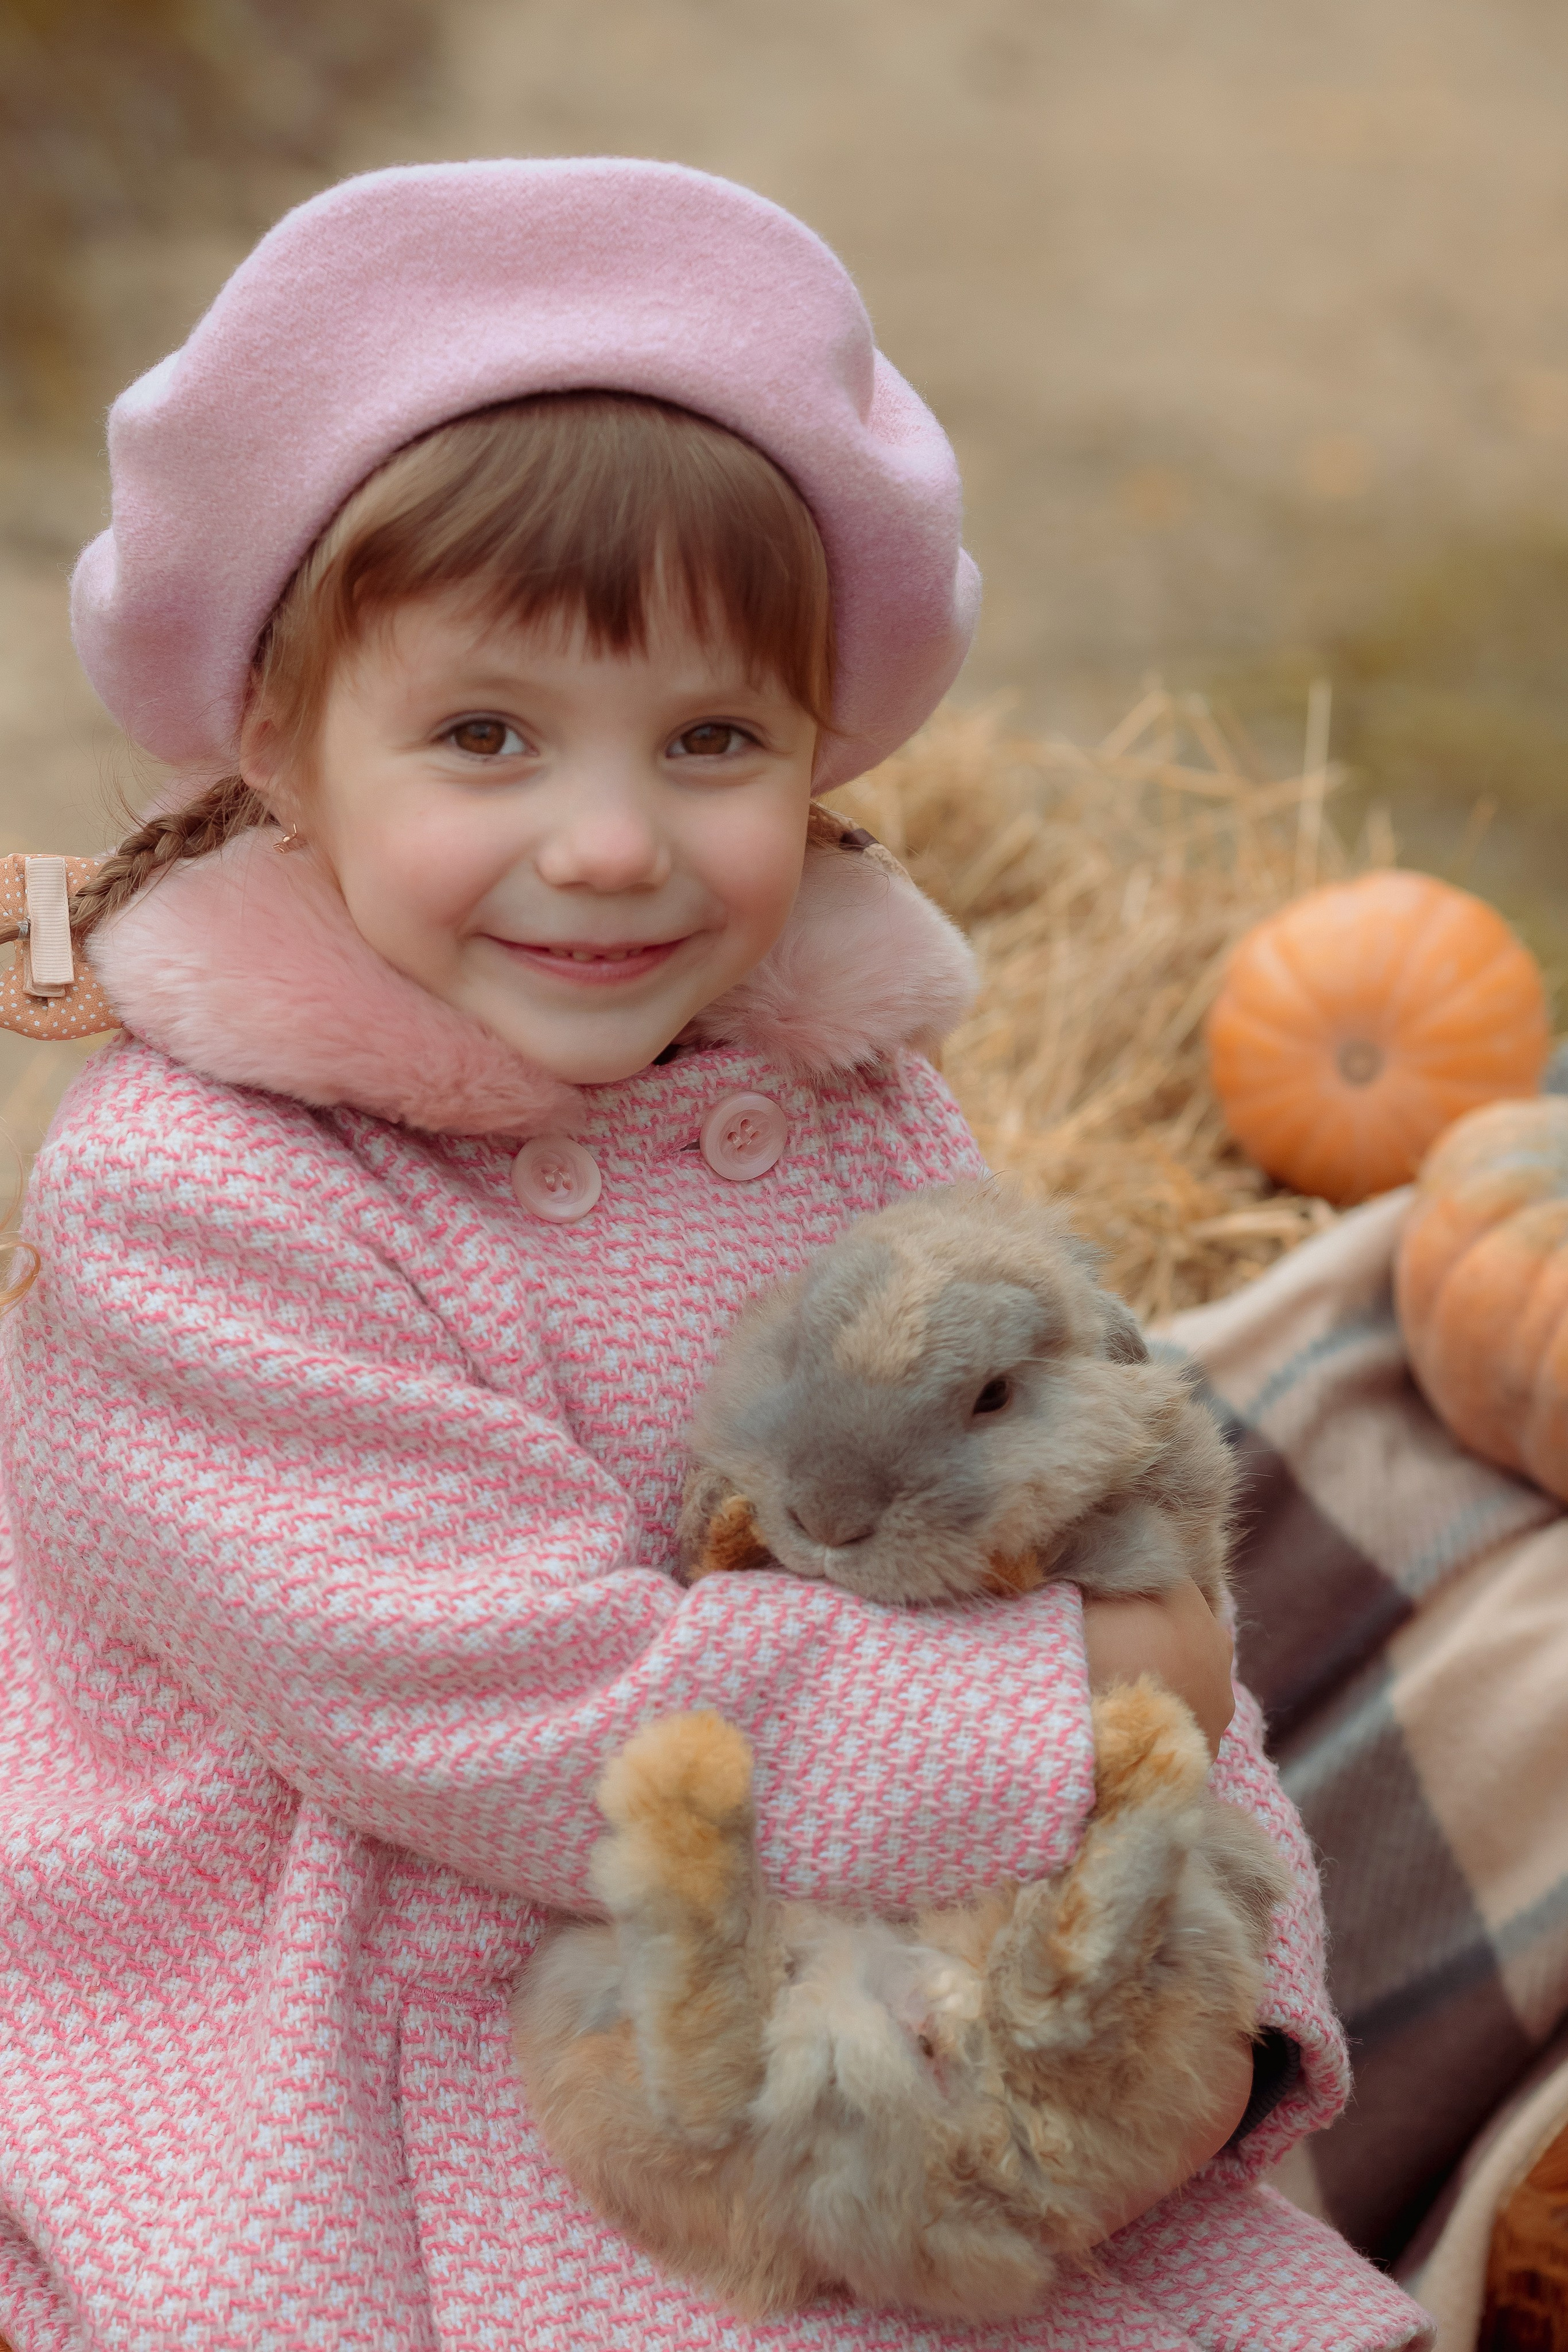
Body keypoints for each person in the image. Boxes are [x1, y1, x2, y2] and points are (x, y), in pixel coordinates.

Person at [0, 159, 1429, 2350]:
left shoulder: (854, 1105)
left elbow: (1093, 1533)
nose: (608, 844)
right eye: (486, 735)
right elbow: (529, 1711)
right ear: (277, 737)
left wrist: (1196, 1964)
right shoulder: (197, 1200)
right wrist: (1078, 1708)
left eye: (712, 741)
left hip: (880, 1998)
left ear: (821, 748)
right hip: (381, 2025)